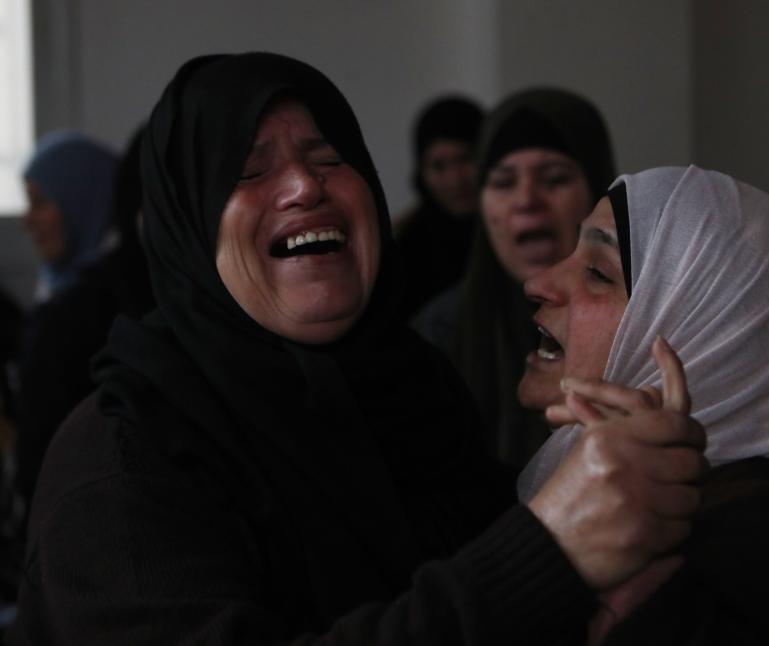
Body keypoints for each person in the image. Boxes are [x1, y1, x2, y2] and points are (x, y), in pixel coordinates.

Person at [10, 52, 706, 644]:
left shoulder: (415, 393)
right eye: (248, 171)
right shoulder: (125, 460)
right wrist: (547, 553)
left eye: (329, 158)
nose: (305, 186)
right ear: (188, 229)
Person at [516, 166, 769, 644]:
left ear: (708, 341)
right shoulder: (629, 506)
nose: (538, 282)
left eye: (598, 273)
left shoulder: (760, 566)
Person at [415, 87, 616, 468]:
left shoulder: (645, 322)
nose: (526, 200)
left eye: (554, 179)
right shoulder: (437, 336)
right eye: (504, 183)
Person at [14, 126, 153, 510]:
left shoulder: (95, 310)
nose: (28, 221)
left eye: (41, 203)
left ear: (82, 198)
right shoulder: (58, 296)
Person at [394, 96, 483, 319]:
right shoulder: (405, 248)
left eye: (465, 159)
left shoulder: (519, 232)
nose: (455, 180)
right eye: (438, 166)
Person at [21, 132, 118, 303]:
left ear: (82, 202)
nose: (27, 221)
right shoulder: (54, 283)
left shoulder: (111, 300)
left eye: (39, 202)